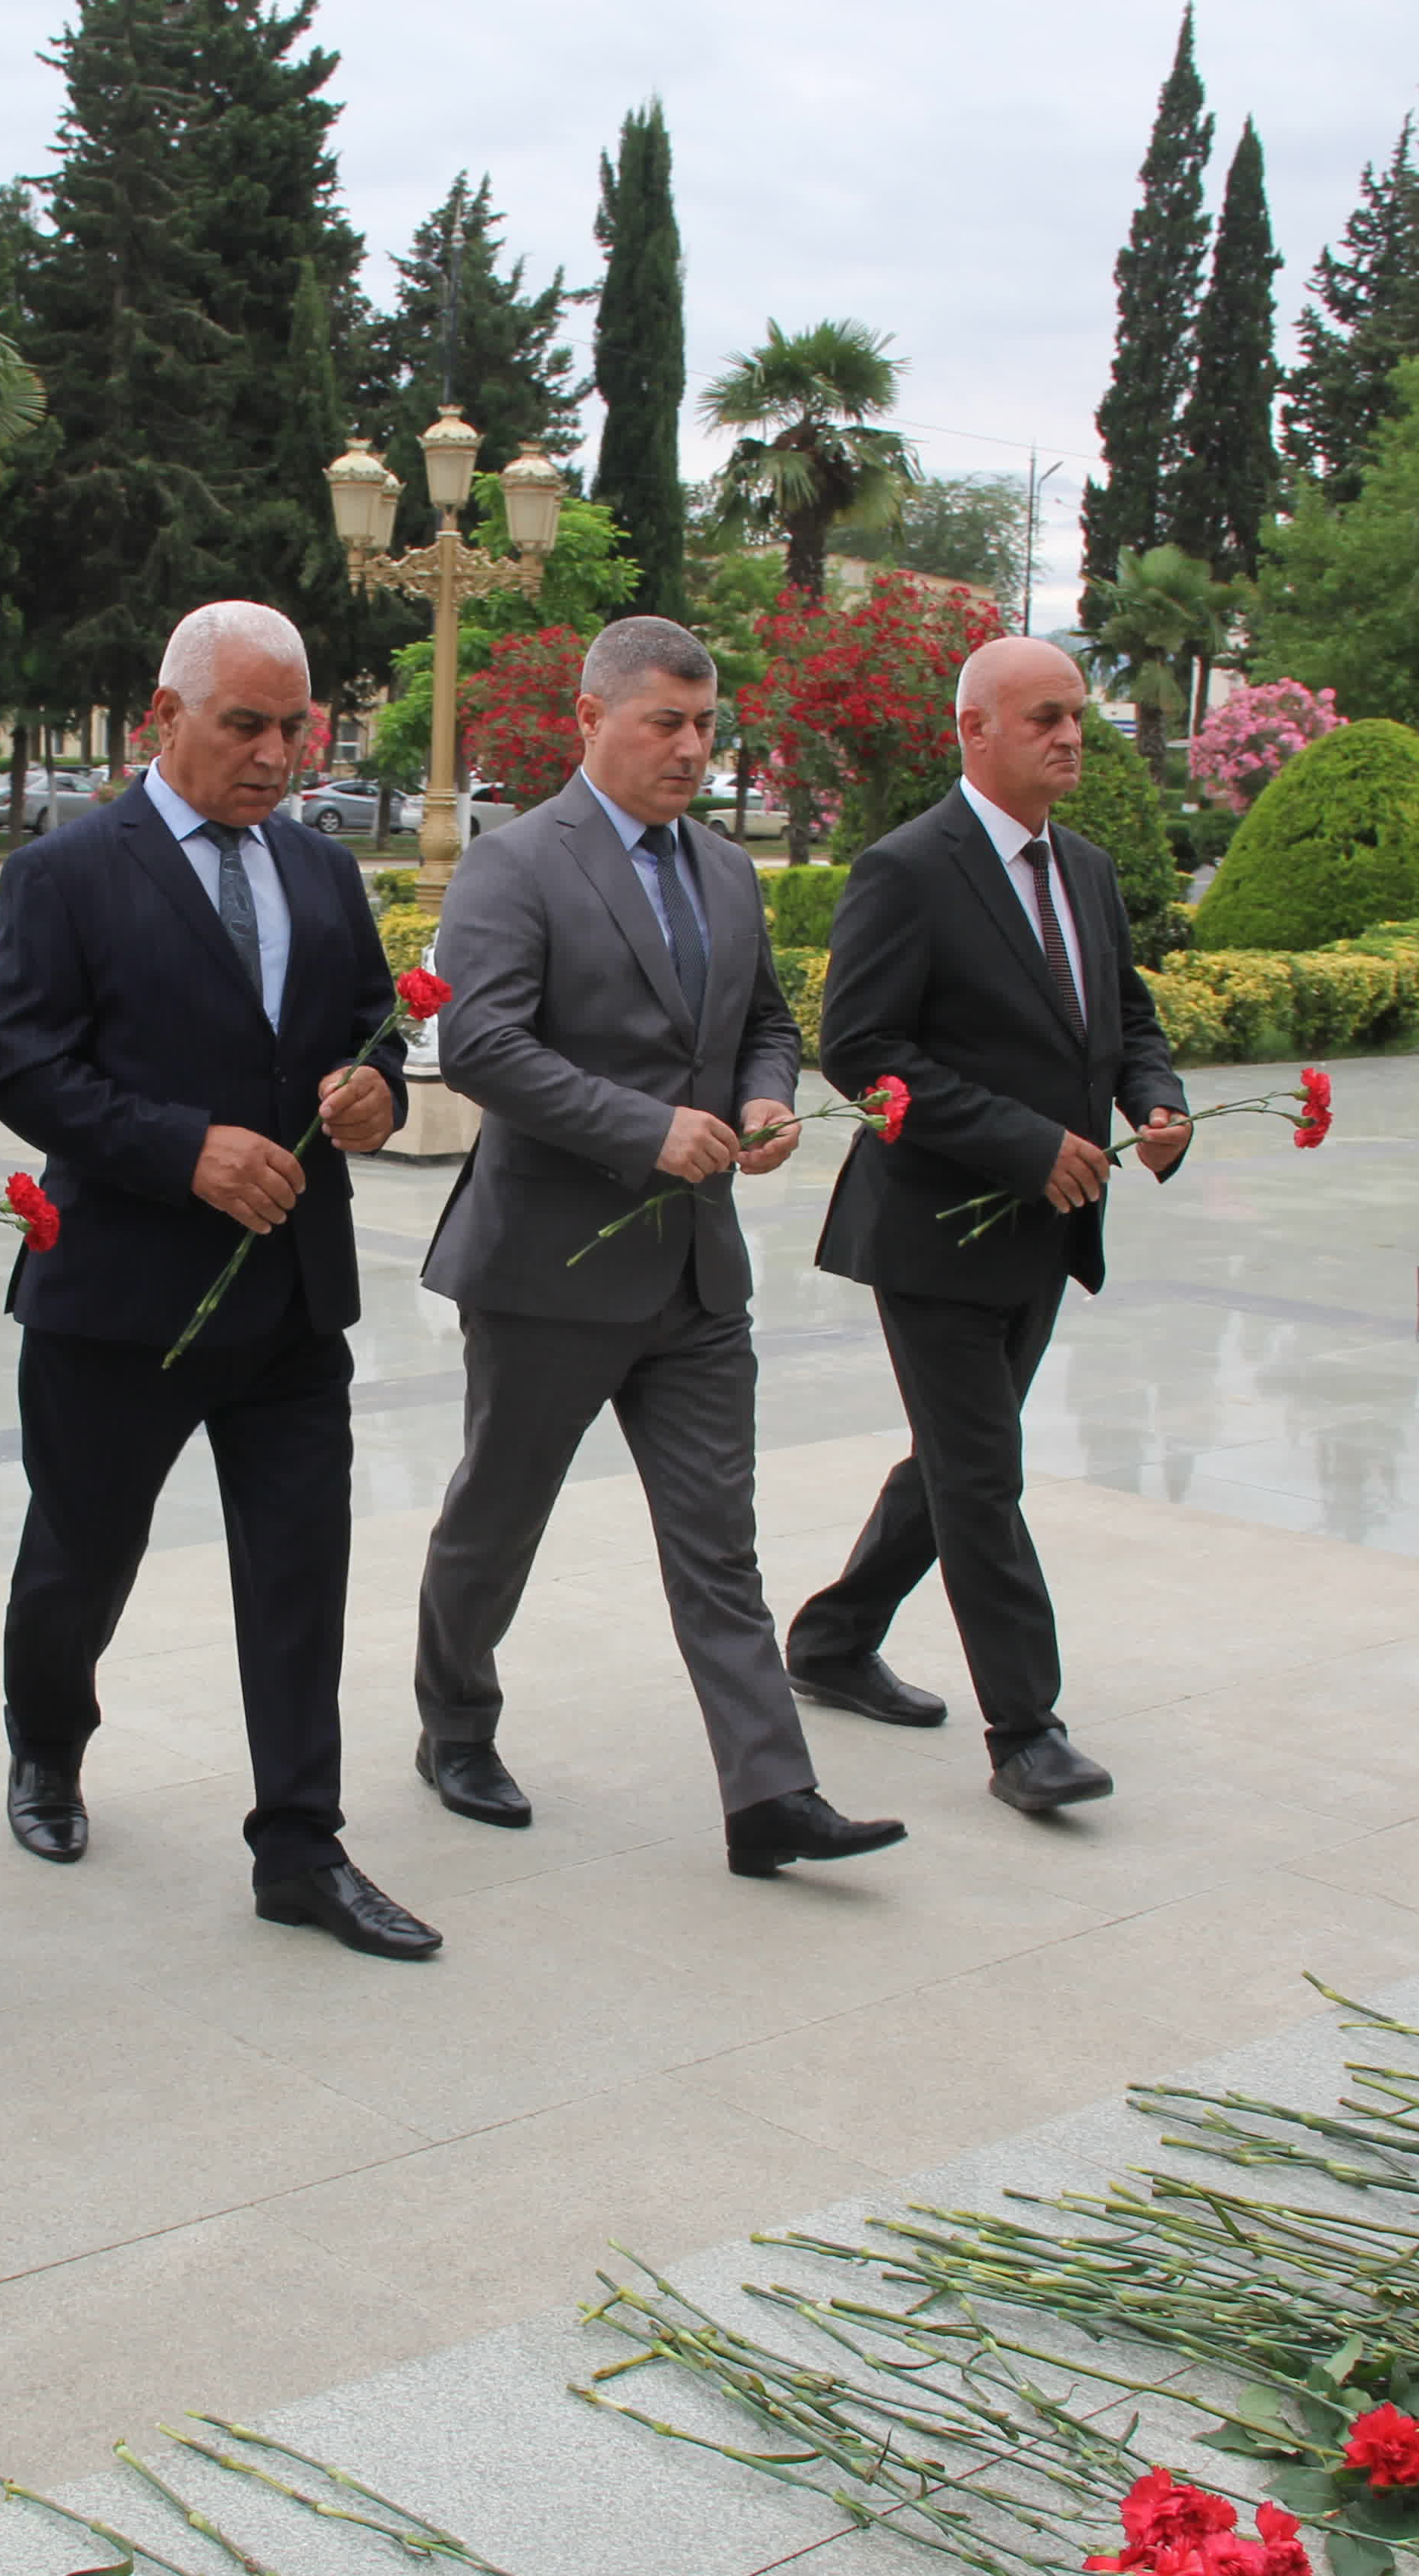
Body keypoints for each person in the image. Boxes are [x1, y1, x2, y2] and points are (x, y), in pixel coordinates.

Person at [406, 616, 905, 1876]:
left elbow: (769, 1023)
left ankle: (769, 1794)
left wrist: (764, 1097)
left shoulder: (726, 871)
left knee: (717, 1541)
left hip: (695, 1274)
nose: (691, 749)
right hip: (547, 1271)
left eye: (705, 726)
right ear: (590, 718)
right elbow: (479, 1046)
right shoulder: (513, 864)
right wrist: (646, 1130)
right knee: (497, 1519)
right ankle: (453, 1724)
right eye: (664, 723)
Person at [0, 600, 438, 1958]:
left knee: (298, 1570)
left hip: (291, 1302)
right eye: (245, 725)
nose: (275, 755)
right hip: (118, 1303)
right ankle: (46, 1741)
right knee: (80, 1557)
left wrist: (377, 1090)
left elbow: (368, 1036)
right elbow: (24, 1068)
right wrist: (185, 1152)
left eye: (293, 727)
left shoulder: (321, 870)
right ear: (161, 719)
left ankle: (300, 1845)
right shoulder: (65, 873)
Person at [785, 638, 1191, 1818]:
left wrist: (1156, 1101)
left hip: (1047, 1231)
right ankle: (1028, 1733)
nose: (1071, 737)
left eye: (1077, 718)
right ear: (975, 729)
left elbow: (1125, 1015)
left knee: (959, 1457)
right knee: (982, 1470)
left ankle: (833, 1638)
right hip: (934, 1232)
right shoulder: (908, 869)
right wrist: (1021, 1142)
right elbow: (862, 1051)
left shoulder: (1089, 871)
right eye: (1046, 717)